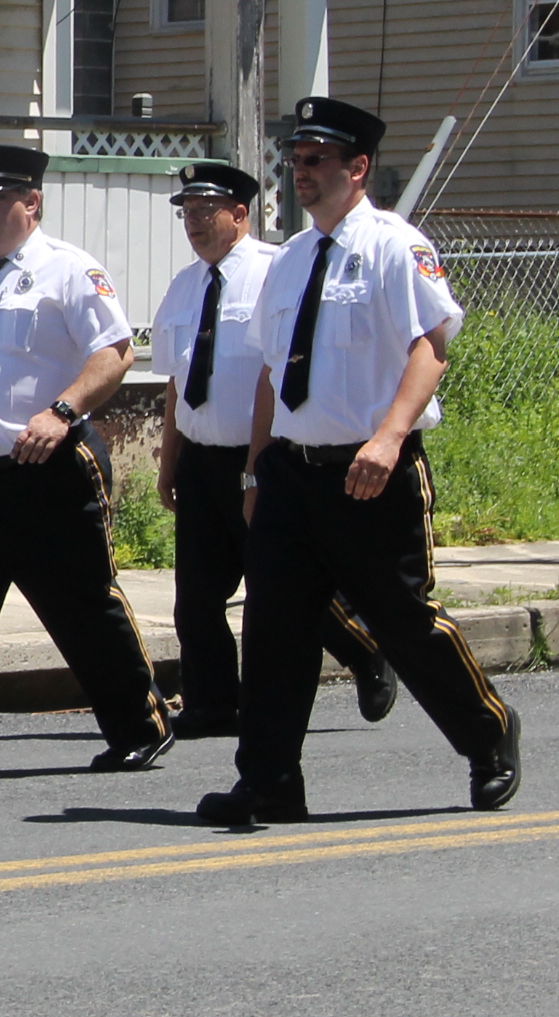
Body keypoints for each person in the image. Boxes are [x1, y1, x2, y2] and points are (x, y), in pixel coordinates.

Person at [200, 97, 522, 827]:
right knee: (274, 629)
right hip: (292, 474)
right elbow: (271, 373)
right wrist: (255, 469)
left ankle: (489, 735)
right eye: (295, 159)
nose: (301, 171)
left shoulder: (394, 246)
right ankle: (270, 782)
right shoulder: (289, 260)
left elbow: (430, 347)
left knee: (404, 622)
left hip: (371, 471)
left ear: (358, 167)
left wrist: (388, 437)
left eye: (316, 160)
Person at [0, 144, 173, 779]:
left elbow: (115, 352)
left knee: (82, 607)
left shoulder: (68, 271)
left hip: (46, 471)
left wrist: (63, 411)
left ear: (33, 202)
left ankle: (140, 725)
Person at [147, 160, 395, 742]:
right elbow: (177, 380)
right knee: (196, 595)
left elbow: (276, 370)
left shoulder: (275, 271)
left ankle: (366, 652)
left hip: (260, 457)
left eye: (206, 211)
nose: (194, 223)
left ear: (240, 213)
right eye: (187, 213)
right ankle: (212, 703)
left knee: (283, 584)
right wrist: (169, 459)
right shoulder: (184, 285)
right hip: (201, 459)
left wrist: (258, 471)